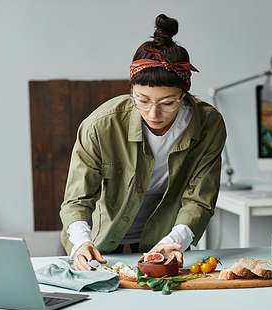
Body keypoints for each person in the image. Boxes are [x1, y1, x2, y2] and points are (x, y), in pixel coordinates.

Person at [60, 14, 226, 271]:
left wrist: (175, 240)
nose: (153, 113)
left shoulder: (209, 125)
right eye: (142, 99)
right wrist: (81, 242)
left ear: (184, 94)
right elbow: (77, 200)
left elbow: (199, 199)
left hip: (166, 233)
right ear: (131, 92)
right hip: (101, 235)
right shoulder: (100, 126)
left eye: (167, 103)